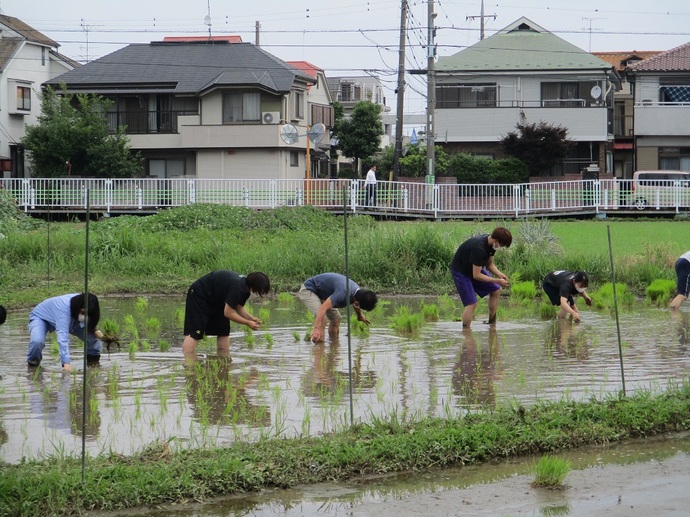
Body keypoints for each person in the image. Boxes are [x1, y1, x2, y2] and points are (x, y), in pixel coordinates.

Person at [182, 270, 270, 355]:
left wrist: (251, 318)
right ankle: (188, 362)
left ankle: (223, 361)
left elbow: (238, 306)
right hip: (200, 294)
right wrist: (247, 323)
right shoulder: (238, 288)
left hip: (218, 299)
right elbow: (228, 313)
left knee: (223, 331)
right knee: (195, 332)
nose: (260, 294)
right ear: (255, 286)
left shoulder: (245, 288)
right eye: (261, 290)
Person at [450, 227, 512, 328]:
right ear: (496, 241)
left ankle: (492, 323)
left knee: (496, 289)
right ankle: (466, 332)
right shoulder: (479, 248)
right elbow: (477, 275)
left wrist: (500, 274)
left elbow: (490, 265)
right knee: (472, 303)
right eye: (502, 245)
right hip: (461, 271)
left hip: (474, 268)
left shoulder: (492, 245)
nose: (501, 248)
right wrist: (497, 280)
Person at [27, 293, 103, 371]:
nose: (85, 316)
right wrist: (66, 363)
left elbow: (90, 321)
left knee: (93, 340)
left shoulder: (87, 302)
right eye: (83, 313)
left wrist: (97, 331)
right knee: (37, 342)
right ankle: (33, 367)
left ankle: (93, 366)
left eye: (87, 314)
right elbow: (62, 337)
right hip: (42, 317)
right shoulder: (63, 309)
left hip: (73, 318)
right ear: (78, 308)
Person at [297, 273, 378, 342]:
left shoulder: (358, 292)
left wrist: (359, 316)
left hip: (324, 294)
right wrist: (316, 328)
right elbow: (323, 308)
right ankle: (319, 352)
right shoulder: (343, 293)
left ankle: (333, 346)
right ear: (357, 302)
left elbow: (355, 303)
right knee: (322, 320)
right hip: (309, 289)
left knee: (336, 319)